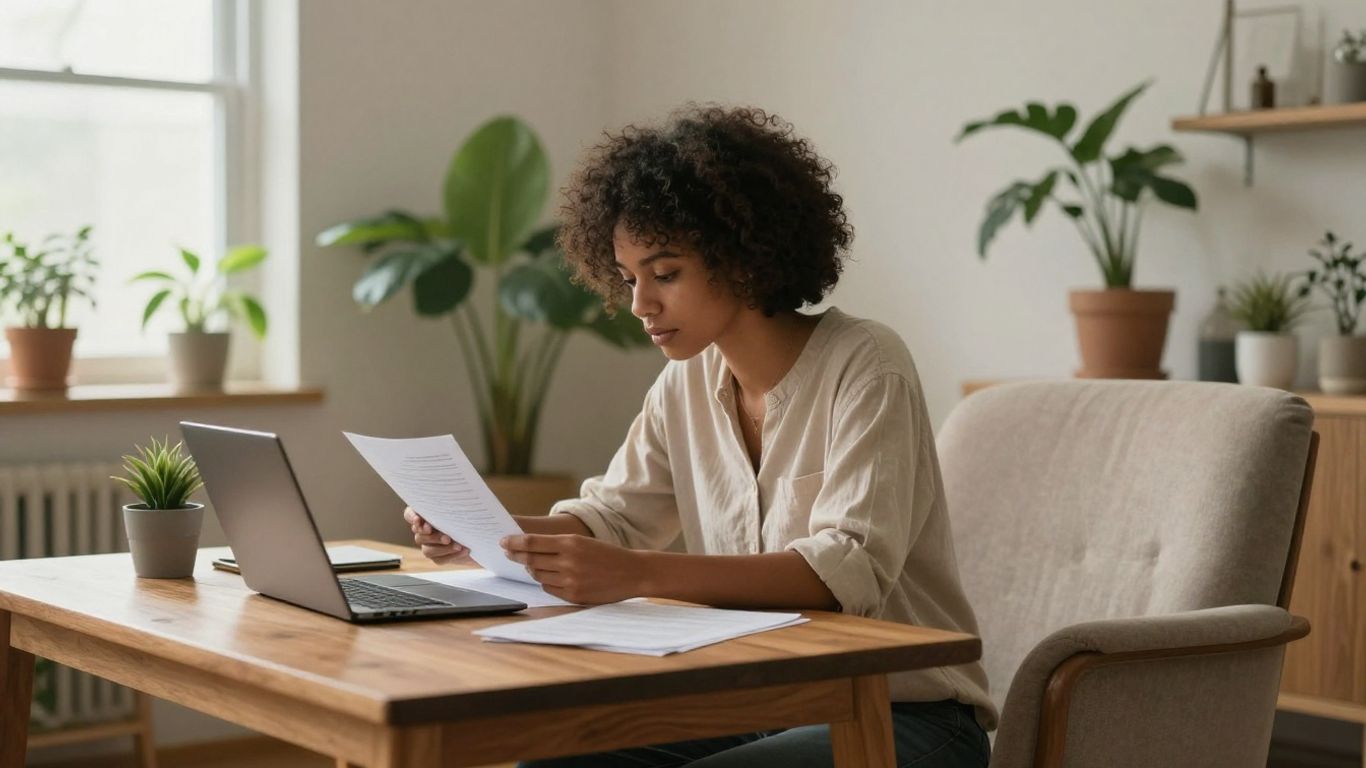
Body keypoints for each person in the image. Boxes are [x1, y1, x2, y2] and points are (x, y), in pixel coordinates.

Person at [404, 104, 995, 767]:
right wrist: (488, 529)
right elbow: (614, 521)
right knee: (552, 760)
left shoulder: (867, 364)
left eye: (666, 273)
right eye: (629, 279)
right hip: (759, 703)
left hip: (904, 714)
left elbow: (846, 571)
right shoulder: (685, 384)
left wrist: (636, 575)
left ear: (742, 255)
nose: (640, 305)